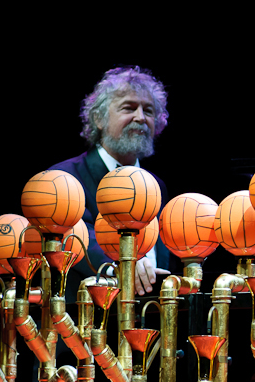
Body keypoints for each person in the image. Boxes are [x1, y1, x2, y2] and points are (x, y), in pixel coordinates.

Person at [51, 66, 174, 299]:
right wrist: (123, 266)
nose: (140, 117)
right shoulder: (64, 178)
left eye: (148, 110)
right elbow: (75, 236)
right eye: (129, 107)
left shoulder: (157, 186)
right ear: (99, 118)